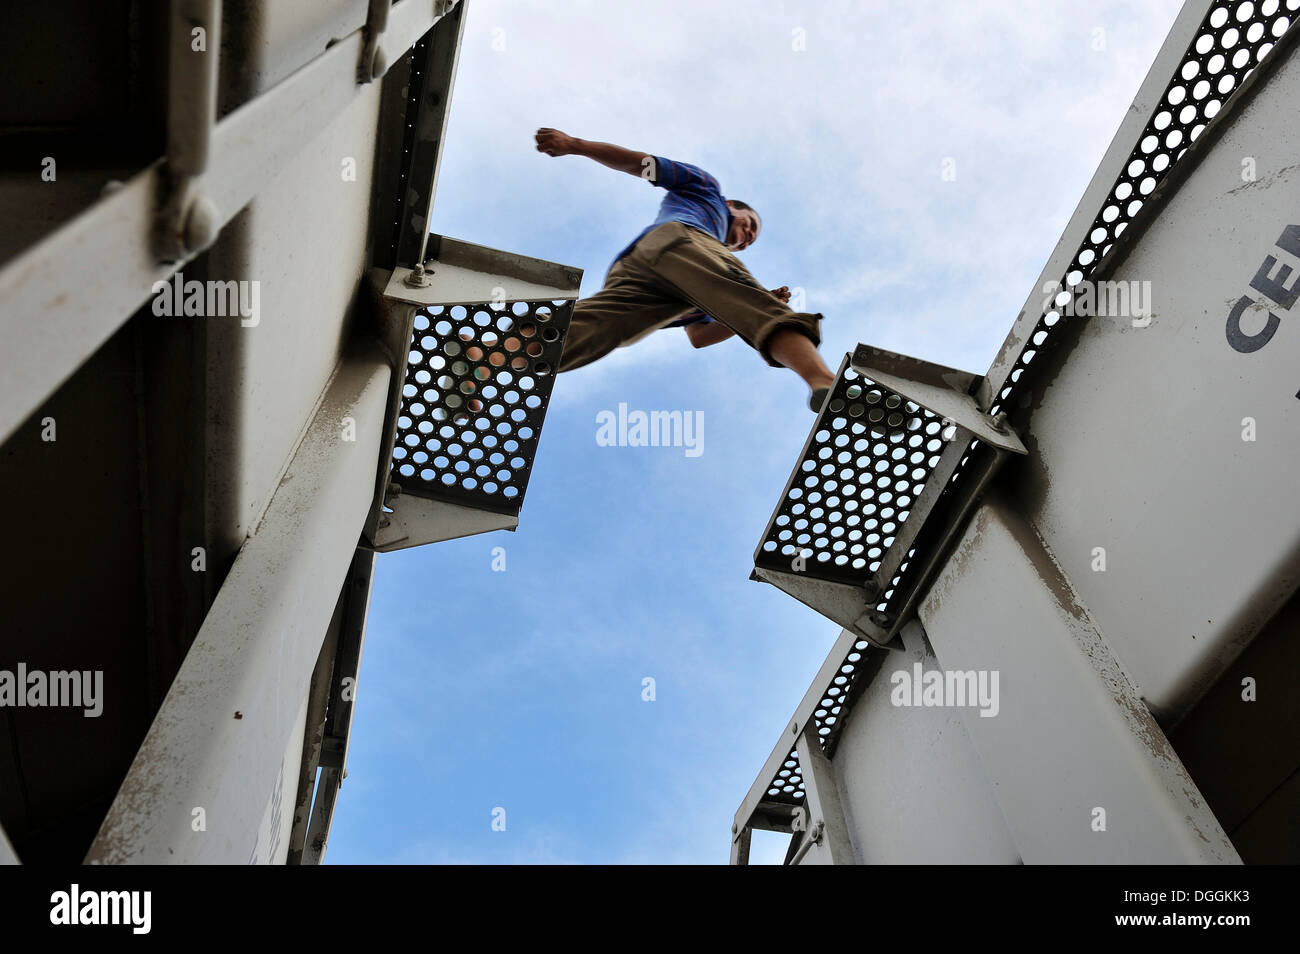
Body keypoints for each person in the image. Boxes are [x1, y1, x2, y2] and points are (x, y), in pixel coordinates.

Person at [535, 128, 837, 411]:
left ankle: (491, 361)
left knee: (589, 331)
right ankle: (824, 382)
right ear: (731, 205)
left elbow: (700, 336)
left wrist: (739, 306)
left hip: (643, 275)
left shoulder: (704, 279)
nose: (748, 238)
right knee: (763, 308)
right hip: (680, 239)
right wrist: (575, 145)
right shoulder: (707, 190)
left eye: (751, 241)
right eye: (751, 225)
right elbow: (643, 165)